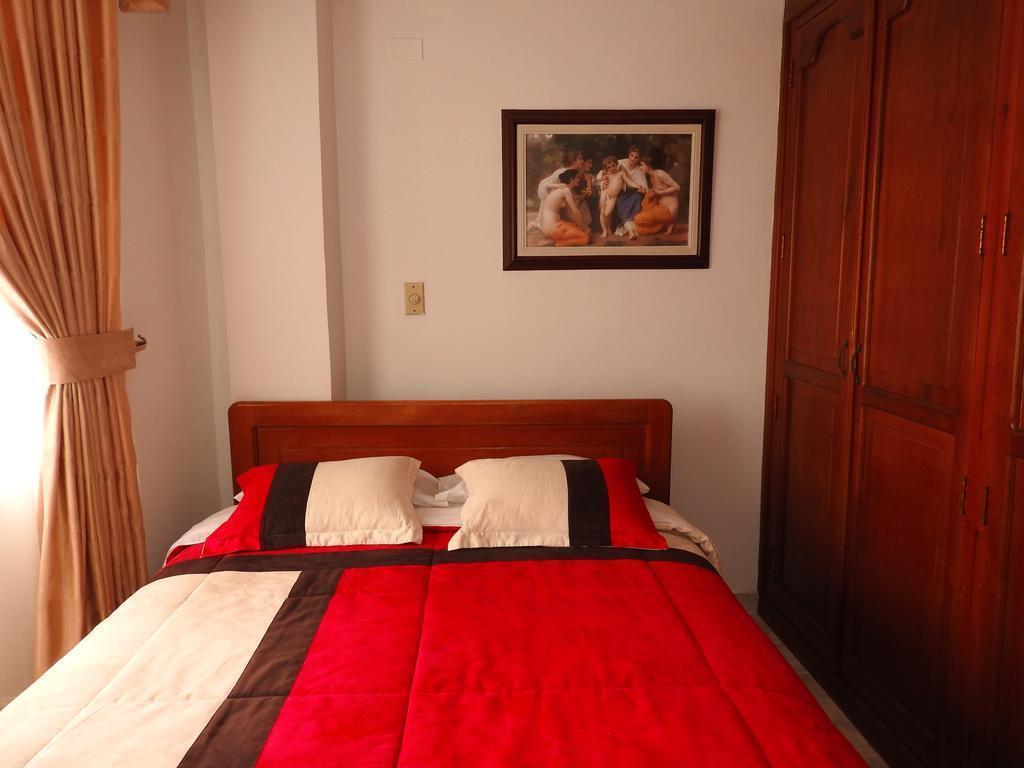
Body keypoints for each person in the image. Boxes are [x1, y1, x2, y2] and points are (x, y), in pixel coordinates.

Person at [634, 150, 682, 236]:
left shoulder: (660, 174)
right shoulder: (652, 178)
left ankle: (669, 222)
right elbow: (655, 192)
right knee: (639, 228)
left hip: (669, 210)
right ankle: (665, 225)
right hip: (659, 209)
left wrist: (660, 192)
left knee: (638, 219)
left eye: (642, 165)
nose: (640, 168)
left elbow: (677, 187)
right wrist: (648, 192)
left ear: (648, 165)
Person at [539, 168, 590, 246]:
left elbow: (571, 209)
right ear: (571, 179)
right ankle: (560, 243)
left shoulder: (561, 191)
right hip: (554, 229)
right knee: (585, 238)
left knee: (575, 227)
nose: (579, 180)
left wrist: (579, 197)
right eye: (577, 177)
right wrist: (584, 227)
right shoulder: (566, 190)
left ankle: (554, 240)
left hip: (548, 228)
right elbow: (575, 212)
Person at [615, 146, 648, 239]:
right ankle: (630, 230)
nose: (633, 158)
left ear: (639, 159)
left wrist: (641, 189)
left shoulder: (639, 170)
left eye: (636, 157)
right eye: (631, 155)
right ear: (628, 155)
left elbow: (644, 186)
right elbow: (608, 170)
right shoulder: (621, 163)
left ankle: (631, 230)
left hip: (634, 193)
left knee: (637, 197)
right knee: (620, 201)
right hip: (622, 192)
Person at [596, 155, 626, 238]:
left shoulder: (620, 173)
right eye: (609, 167)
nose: (612, 168)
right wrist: (602, 173)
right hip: (605, 193)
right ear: (607, 168)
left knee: (607, 214)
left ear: (616, 164)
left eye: (613, 165)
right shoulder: (607, 174)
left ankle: (608, 228)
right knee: (602, 213)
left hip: (613, 196)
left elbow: (627, 181)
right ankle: (605, 231)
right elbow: (598, 178)